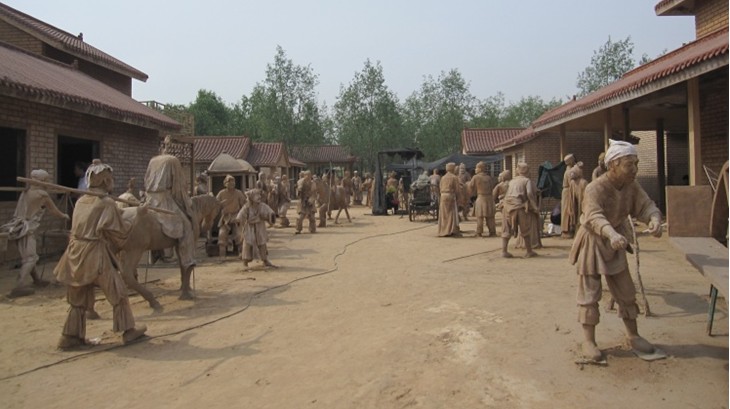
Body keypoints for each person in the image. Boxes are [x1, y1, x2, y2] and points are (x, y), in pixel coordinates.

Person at [569, 140, 663, 362]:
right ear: (613, 165)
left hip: (617, 240)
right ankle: (589, 340)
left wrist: (655, 219)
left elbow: (646, 205)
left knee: (626, 290)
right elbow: (594, 216)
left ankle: (633, 335)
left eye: (636, 164)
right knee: (589, 293)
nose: (635, 169)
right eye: (629, 165)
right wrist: (611, 234)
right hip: (594, 241)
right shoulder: (595, 188)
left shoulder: (632, 186)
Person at [54, 159, 146, 349]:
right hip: (94, 253)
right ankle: (128, 330)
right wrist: (139, 215)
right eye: (111, 179)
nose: (112, 182)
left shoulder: (81, 201)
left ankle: (70, 336)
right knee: (118, 291)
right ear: (105, 181)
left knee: (78, 296)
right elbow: (120, 233)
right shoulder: (106, 203)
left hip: (75, 252)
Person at [1, 169, 70, 298]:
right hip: (26, 229)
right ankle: (20, 284)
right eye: (46, 180)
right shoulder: (42, 194)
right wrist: (64, 215)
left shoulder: (26, 191)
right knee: (31, 258)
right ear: (42, 181)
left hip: (18, 227)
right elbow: (54, 211)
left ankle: (36, 279)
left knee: (29, 255)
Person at [501, 162, 539, 258]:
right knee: (525, 229)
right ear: (527, 171)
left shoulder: (512, 181)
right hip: (519, 206)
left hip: (507, 206)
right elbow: (529, 193)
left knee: (506, 228)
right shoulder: (527, 181)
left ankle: (504, 251)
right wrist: (534, 206)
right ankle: (529, 251)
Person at [237, 188, 276, 269]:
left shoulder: (263, 206)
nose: (259, 197)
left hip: (260, 226)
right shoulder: (247, 207)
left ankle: (265, 260)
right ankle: (245, 262)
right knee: (247, 244)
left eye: (259, 195)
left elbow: (270, 212)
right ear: (251, 197)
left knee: (262, 243)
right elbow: (240, 215)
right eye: (256, 195)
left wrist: (270, 216)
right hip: (249, 227)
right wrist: (238, 220)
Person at [215, 174, 247, 258]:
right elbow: (216, 204)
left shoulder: (238, 193)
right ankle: (222, 255)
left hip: (236, 216)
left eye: (233, 181)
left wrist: (241, 216)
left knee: (239, 234)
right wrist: (221, 204)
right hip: (225, 217)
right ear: (225, 183)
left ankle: (241, 253)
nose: (231, 183)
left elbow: (244, 205)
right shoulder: (221, 193)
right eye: (229, 182)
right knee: (222, 234)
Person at [468, 161, 497, 237]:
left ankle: (479, 232)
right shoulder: (489, 177)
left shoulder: (476, 177)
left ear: (480, 169)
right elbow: (492, 187)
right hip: (489, 198)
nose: (475, 169)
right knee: (490, 217)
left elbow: (470, 187)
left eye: (476, 168)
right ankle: (492, 231)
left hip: (481, 198)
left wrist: (470, 195)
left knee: (480, 216)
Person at [437, 163, 461, 237]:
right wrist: (458, 198)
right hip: (450, 195)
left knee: (444, 214)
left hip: (443, 196)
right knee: (451, 213)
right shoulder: (454, 177)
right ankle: (450, 230)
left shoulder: (443, 178)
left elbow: (440, 188)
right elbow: (457, 189)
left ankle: (443, 230)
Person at [561, 154, 577, 238]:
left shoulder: (569, 170)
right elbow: (572, 183)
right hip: (568, 192)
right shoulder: (569, 171)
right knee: (568, 210)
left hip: (567, 191)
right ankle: (566, 230)